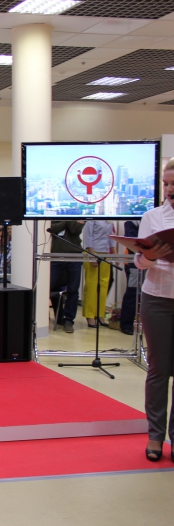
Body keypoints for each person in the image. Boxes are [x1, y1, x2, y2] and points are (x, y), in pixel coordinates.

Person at [133, 162, 174, 462]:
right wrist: (149, 256)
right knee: (159, 369)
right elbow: (138, 262)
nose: (170, 190)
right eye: (166, 184)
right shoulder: (152, 217)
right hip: (157, 299)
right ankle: (155, 436)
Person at [48, 220, 85, 333]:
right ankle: (56, 316)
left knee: (73, 290)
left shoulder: (79, 214)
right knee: (49, 286)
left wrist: (64, 222)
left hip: (75, 256)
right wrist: (68, 220)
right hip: (56, 256)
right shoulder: (55, 213)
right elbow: (52, 229)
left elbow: (75, 230)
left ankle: (68, 320)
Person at [82, 220, 114, 328]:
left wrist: (115, 254)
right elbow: (88, 237)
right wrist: (92, 256)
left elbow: (111, 237)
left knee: (104, 285)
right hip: (93, 252)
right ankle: (90, 315)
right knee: (92, 285)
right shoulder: (92, 219)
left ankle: (100, 314)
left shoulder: (109, 219)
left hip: (106, 253)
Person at [119, 220, 140, 335]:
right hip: (133, 263)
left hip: (149, 262)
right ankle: (126, 324)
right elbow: (131, 242)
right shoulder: (131, 221)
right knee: (132, 292)